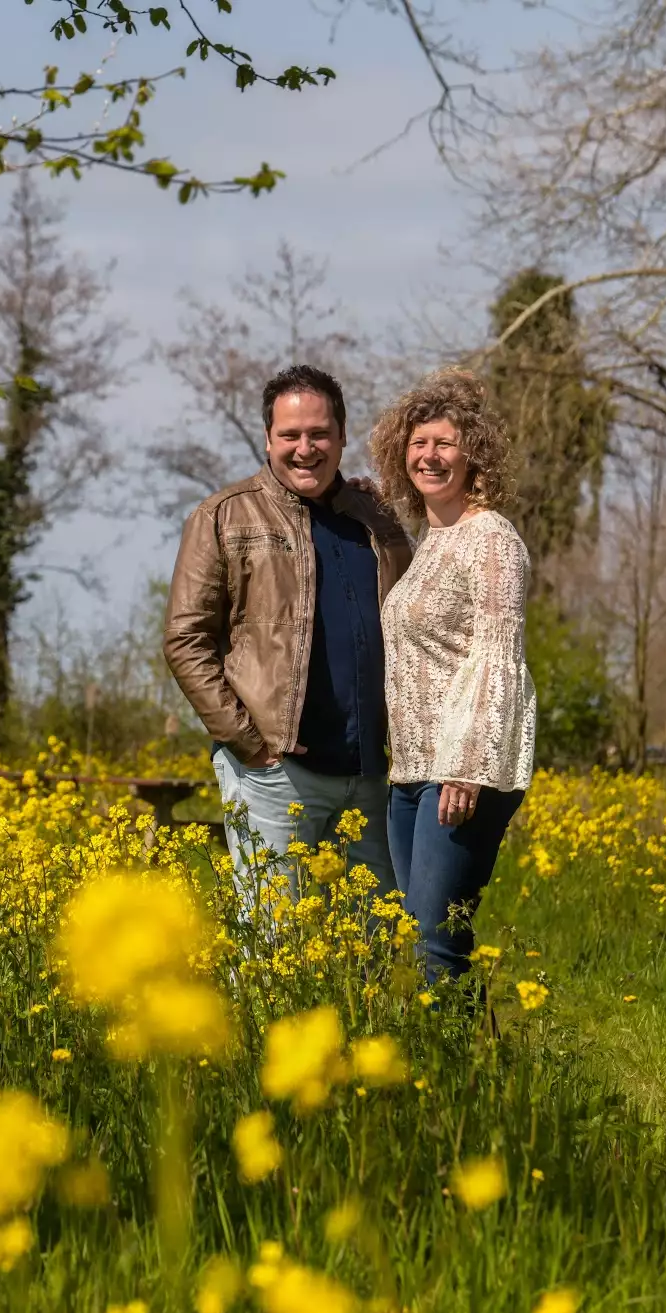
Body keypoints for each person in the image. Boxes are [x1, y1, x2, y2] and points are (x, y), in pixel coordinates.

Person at [164, 364, 414, 897]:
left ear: (342, 436)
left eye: (320, 434)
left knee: (375, 946)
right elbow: (185, 638)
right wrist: (247, 742)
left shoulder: (377, 520)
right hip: (274, 773)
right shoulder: (224, 516)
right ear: (268, 439)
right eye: (291, 435)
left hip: (369, 774)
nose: (306, 448)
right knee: (273, 945)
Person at [372, 367, 537, 985]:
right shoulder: (431, 540)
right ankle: (444, 1072)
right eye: (418, 444)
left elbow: (498, 656)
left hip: (461, 772)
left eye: (444, 444)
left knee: (436, 946)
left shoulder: (490, 537)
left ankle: (456, 1079)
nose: (429, 456)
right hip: (411, 773)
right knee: (420, 941)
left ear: (474, 455)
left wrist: (467, 766)